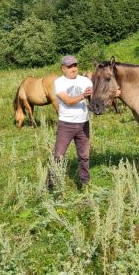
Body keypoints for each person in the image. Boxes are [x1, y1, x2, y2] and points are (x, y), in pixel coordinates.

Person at [48, 55, 93, 189]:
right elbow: (67, 101)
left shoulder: (86, 81)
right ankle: (51, 185)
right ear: (63, 68)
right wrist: (83, 96)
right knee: (58, 156)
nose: (73, 69)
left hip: (83, 124)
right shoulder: (59, 82)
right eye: (69, 67)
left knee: (84, 156)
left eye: (75, 65)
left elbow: (95, 97)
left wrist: (115, 92)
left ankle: (85, 184)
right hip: (66, 125)